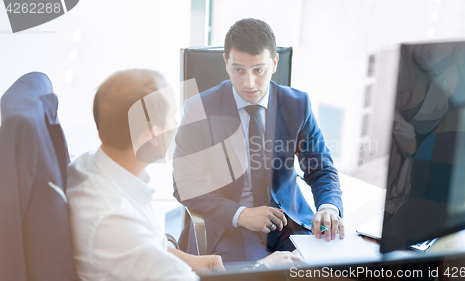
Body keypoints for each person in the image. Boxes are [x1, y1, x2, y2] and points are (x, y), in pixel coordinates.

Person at [67, 69, 301, 281]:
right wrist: (264, 268)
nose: (179, 124)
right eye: (173, 116)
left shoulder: (89, 165)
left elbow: (145, 248)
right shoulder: (116, 222)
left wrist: (193, 261)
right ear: (153, 135)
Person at [173, 18, 344, 263]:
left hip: (290, 222)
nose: (249, 83)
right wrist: (241, 214)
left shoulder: (297, 104)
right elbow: (185, 185)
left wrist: (328, 207)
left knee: (327, 271)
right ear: (226, 63)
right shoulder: (198, 109)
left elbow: (321, 167)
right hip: (231, 227)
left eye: (258, 70)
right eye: (239, 70)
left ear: (274, 63)